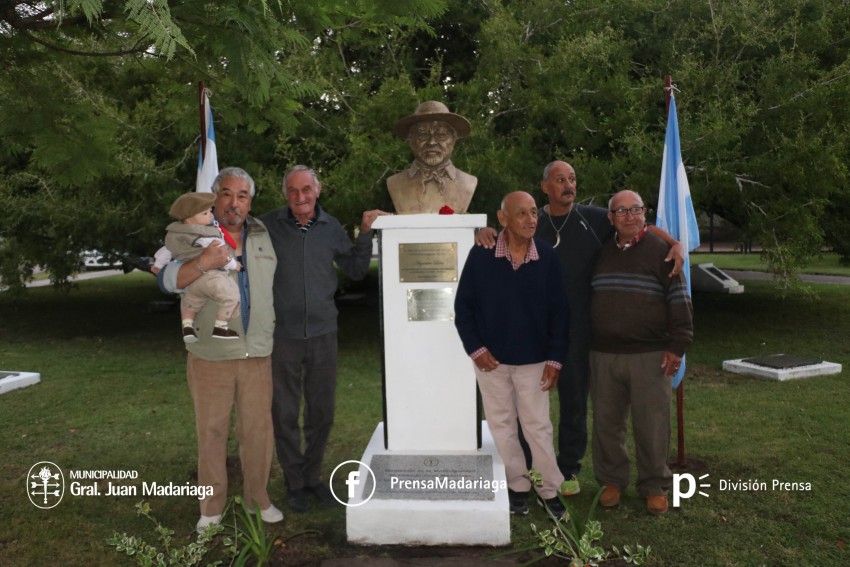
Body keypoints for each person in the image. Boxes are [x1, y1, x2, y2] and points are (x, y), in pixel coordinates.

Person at [476, 161, 684, 496]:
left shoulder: (594, 218)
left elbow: (635, 225)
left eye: (572, 179)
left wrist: (674, 243)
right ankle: (529, 469)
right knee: (525, 403)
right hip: (530, 331)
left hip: (576, 331)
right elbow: (499, 239)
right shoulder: (531, 219)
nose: (568, 185)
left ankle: (569, 468)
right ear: (545, 186)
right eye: (560, 180)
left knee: (574, 403)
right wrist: (482, 231)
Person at [157, 167, 283, 532]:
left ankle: (258, 499)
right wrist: (203, 263)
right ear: (214, 199)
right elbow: (168, 281)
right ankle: (211, 507)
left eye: (242, 196)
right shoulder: (193, 234)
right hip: (211, 354)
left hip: (257, 352)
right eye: (226, 194)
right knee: (211, 431)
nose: (234, 202)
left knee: (258, 432)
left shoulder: (262, 235)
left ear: (250, 202)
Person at [259, 165, 390, 513]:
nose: (299, 197)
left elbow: (356, 269)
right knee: (284, 412)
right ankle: (294, 481)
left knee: (321, 412)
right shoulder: (267, 225)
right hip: (282, 335)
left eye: (306, 190)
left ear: (318, 190)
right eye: (292, 191)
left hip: (323, 333)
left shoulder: (331, 228)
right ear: (285, 194)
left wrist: (365, 234)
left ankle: (313, 476)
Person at [454, 191, 569, 517]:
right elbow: (463, 309)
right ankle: (517, 486)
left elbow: (561, 312)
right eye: (522, 214)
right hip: (492, 363)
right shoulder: (481, 256)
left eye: (534, 213)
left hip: (535, 362)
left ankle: (549, 491)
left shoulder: (547, 257)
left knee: (537, 427)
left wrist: (555, 358)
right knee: (502, 426)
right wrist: (476, 350)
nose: (531, 220)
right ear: (503, 219)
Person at [589, 190, 694, 515]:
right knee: (607, 423)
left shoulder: (663, 252)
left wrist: (678, 346)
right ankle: (611, 481)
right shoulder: (599, 248)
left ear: (644, 213)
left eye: (635, 209)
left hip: (650, 355)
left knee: (652, 423)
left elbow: (679, 300)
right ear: (611, 218)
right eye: (621, 211)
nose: (629, 216)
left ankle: (654, 486)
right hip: (603, 353)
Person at [156, 191, 242, 343]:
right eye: (205, 213)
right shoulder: (205, 235)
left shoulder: (177, 234)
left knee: (192, 301)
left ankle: (187, 327)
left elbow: (166, 251)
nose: (210, 215)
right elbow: (221, 255)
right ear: (189, 219)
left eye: (210, 211)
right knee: (231, 295)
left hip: (191, 281)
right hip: (210, 277)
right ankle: (221, 326)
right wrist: (235, 265)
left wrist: (157, 265)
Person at [386, 101, 478, 214]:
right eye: (423, 135)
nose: (432, 142)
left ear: (454, 140)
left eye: (441, 135)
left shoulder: (468, 183)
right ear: (411, 141)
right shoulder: (395, 183)